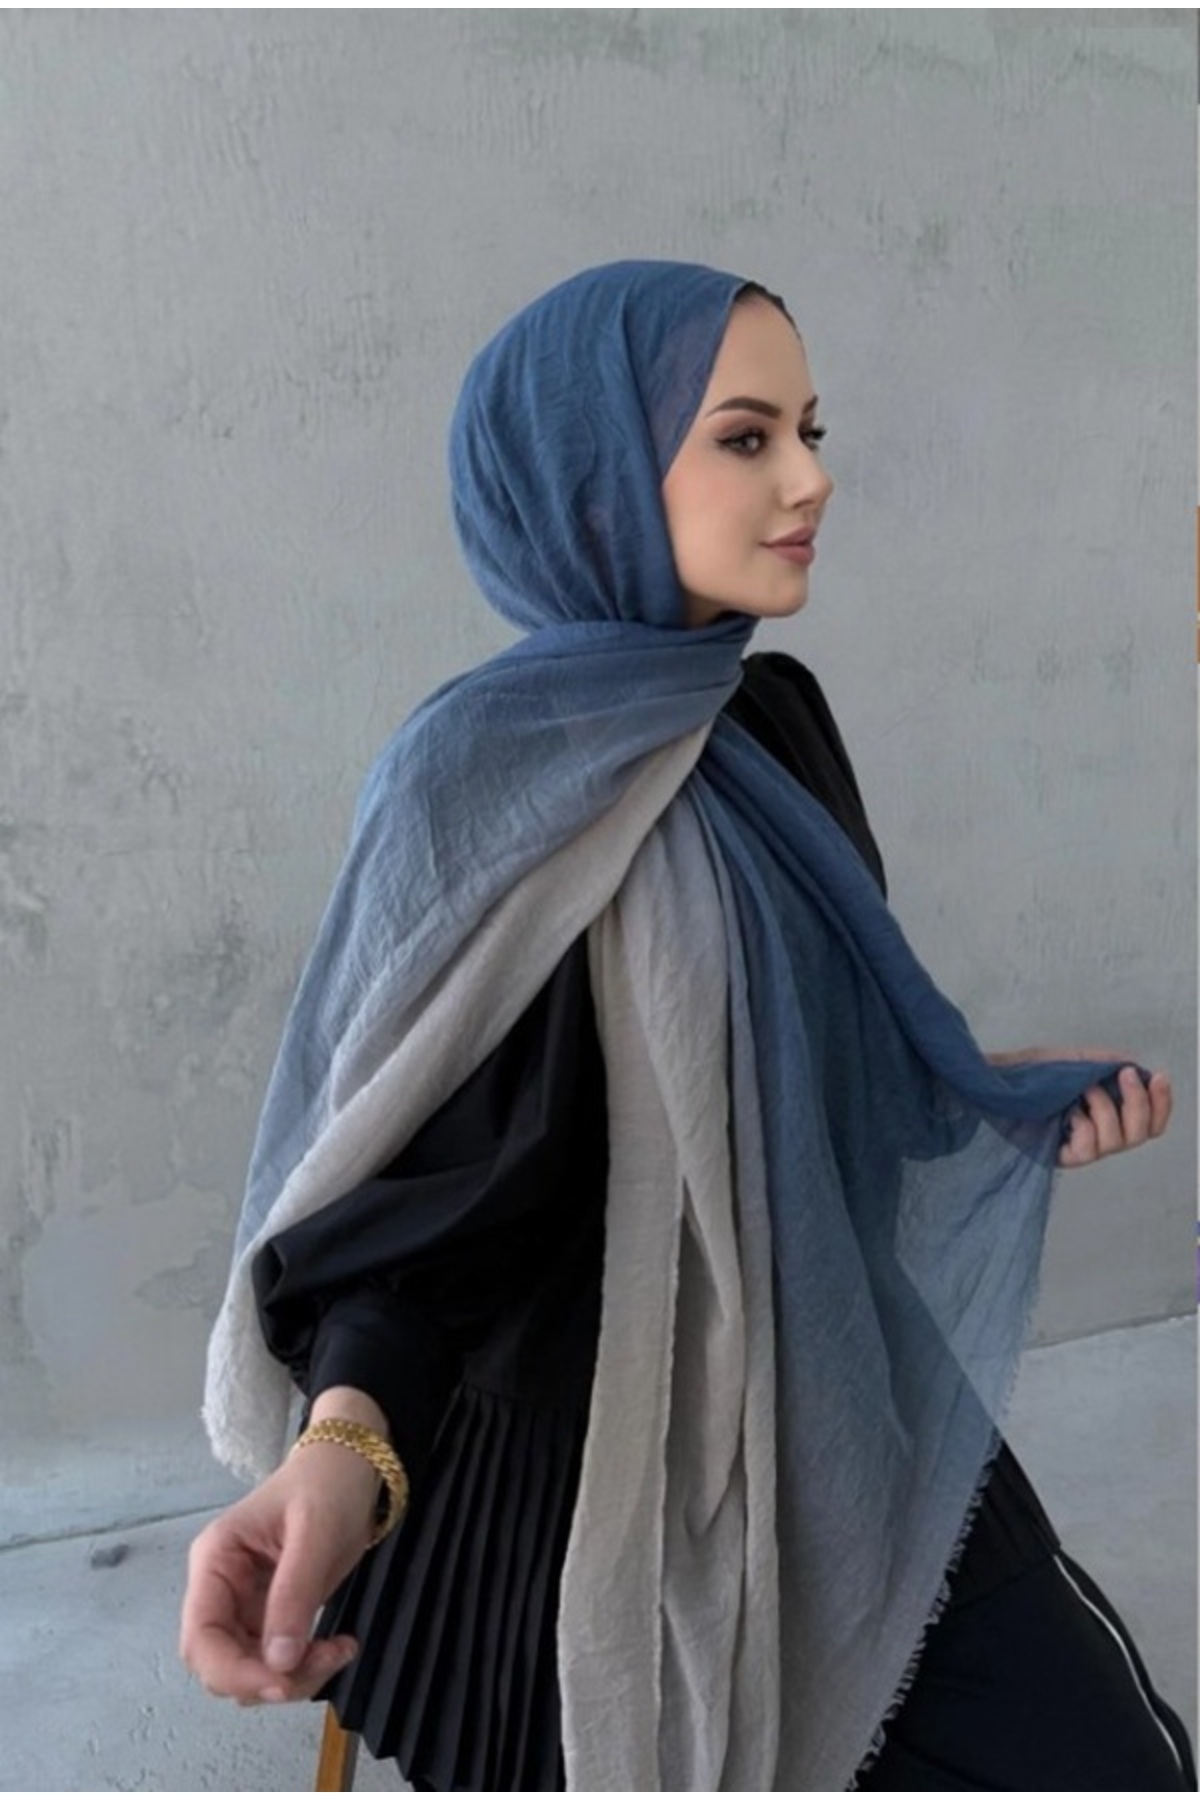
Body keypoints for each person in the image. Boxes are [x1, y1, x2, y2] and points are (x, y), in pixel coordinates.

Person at [180, 261, 1193, 1792]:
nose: (812, 477)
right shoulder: (476, 789)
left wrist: (978, 1091)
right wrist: (343, 1450)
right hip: (553, 1471)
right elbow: (416, 1208)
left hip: (827, 1384)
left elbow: (804, 1096)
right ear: (591, 478)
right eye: (745, 437)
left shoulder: (770, 728)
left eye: (808, 430)